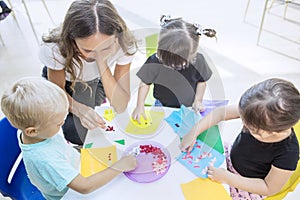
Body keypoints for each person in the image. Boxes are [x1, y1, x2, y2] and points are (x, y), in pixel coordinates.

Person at [1, 77, 137, 200]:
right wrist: (120, 166)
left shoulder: (35, 133)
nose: (64, 122)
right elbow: (85, 186)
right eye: (59, 123)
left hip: (74, 166)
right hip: (69, 193)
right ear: (32, 131)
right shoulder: (46, 159)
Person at [180, 78, 300, 199]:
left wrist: (228, 178)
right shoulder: (255, 111)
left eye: (249, 128)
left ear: (272, 132)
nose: (244, 126)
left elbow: (268, 188)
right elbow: (220, 113)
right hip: (229, 159)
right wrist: (193, 132)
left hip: (245, 186)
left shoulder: (289, 154)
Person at [39, 0, 137, 145]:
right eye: (87, 50)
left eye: (106, 47)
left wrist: (101, 63)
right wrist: (80, 110)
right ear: (72, 41)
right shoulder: (55, 49)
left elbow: (120, 104)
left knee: (95, 127)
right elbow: (57, 91)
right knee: (76, 132)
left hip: (96, 79)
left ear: (116, 37)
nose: (95, 55)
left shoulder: (125, 44)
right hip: (65, 83)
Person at [131, 15, 216, 123]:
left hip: (189, 108)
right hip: (160, 105)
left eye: (178, 63)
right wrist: (139, 106)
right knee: (158, 131)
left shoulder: (198, 61)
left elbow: (202, 82)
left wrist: (198, 101)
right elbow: (145, 83)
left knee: (185, 133)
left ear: (192, 53)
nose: (173, 66)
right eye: (167, 61)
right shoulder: (155, 60)